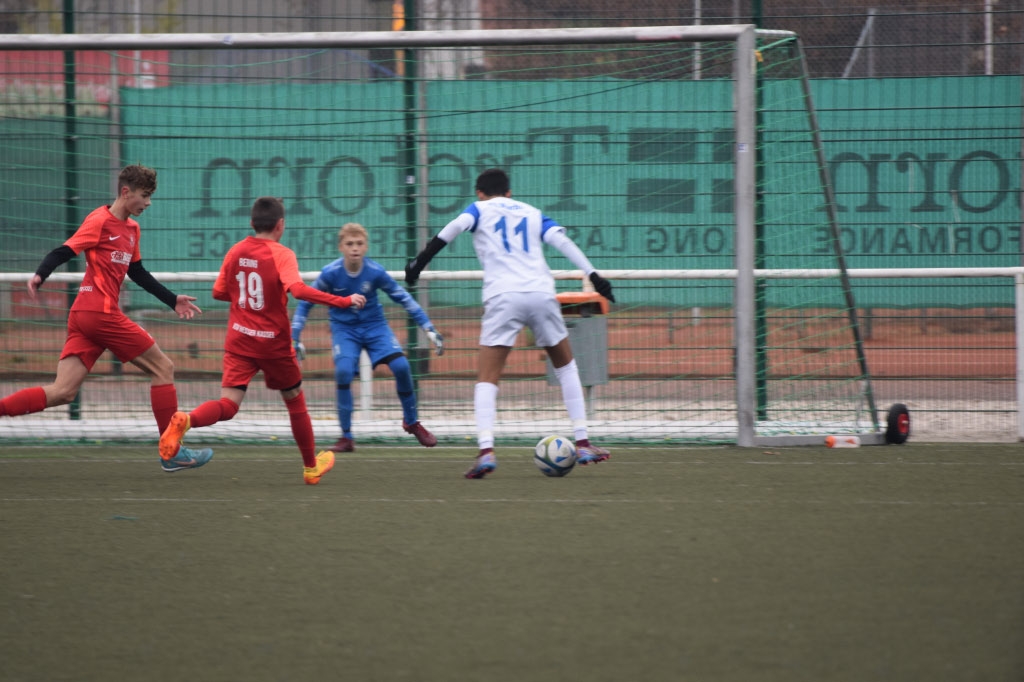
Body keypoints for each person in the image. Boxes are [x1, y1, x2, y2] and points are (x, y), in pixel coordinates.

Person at [405, 168, 616, 479]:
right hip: (541, 292)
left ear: (479, 193)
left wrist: (418, 263)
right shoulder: (532, 213)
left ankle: (486, 450)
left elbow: (451, 230)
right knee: (566, 366)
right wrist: (595, 276)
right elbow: (562, 241)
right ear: (509, 193)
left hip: (503, 296)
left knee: (488, 377)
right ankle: (583, 442)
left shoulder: (478, 209)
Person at [0, 164, 210, 472]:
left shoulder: (133, 230)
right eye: (145, 196)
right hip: (99, 313)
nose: (148, 203)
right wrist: (39, 275)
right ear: (126, 192)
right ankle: (171, 451)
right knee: (163, 367)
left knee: (63, 392)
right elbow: (63, 251)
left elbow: (137, 273)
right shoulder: (99, 220)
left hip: (86, 317)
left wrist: (171, 300)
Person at [158, 197, 367, 485]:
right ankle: (310, 468)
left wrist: (246, 298)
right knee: (295, 400)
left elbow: (219, 292)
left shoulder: (236, 250)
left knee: (228, 404)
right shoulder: (282, 254)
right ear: (280, 225)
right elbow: (298, 290)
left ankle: (188, 420)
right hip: (273, 343)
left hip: (239, 339)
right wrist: (342, 301)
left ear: (251, 223)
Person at [291, 222, 444, 453]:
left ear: (366, 247)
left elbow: (403, 298)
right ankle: (346, 437)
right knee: (343, 372)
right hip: (344, 330)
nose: (355, 248)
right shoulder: (330, 273)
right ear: (341, 247)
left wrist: (428, 328)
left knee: (402, 367)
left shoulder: (375, 272)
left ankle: (412, 422)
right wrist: (295, 336)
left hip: (375, 327)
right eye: (350, 244)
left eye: (359, 243)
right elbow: (305, 303)